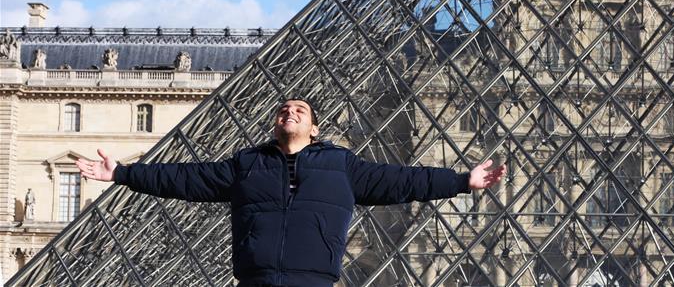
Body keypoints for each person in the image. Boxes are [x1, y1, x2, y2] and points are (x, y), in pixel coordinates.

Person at [76, 99, 506, 287]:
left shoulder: (342, 165)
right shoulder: (247, 165)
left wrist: (461, 181)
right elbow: (188, 179)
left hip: (312, 281)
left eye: (300, 109)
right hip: (256, 279)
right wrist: (124, 174)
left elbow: (402, 181)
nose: (290, 111)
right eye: (284, 109)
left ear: (314, 127)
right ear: (275, 123)